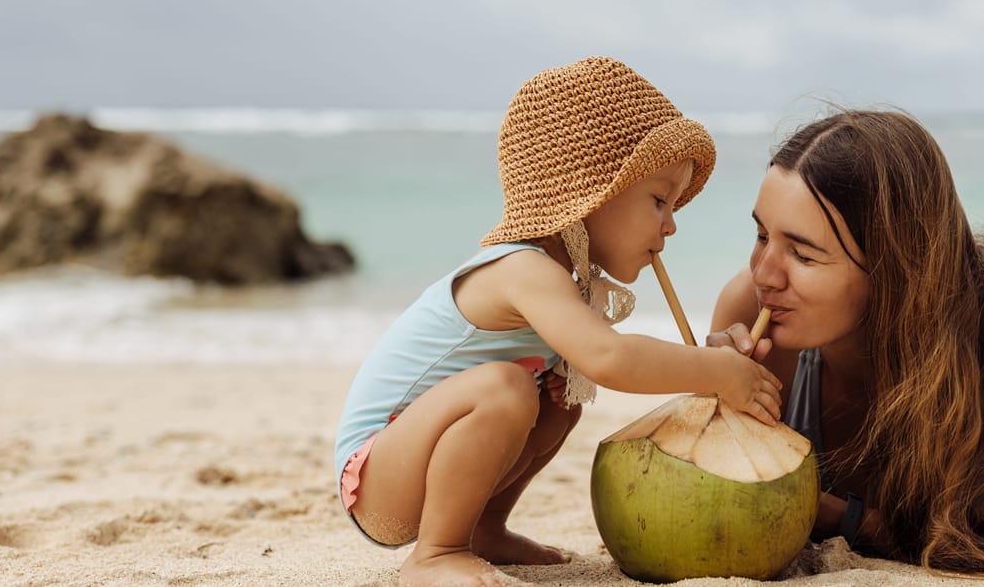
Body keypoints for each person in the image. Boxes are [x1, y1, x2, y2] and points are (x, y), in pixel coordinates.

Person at [333, 56, 784, 587]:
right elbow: (612, 357)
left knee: (561, 395)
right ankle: (436, 552)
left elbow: (603, 362)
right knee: (506, 388)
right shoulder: (521, 267)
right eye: (660, 200)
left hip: (421, 464)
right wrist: (714, 372)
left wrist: (709, 365)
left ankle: (483, 528)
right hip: (377, 475)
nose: (671, 224)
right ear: (588, 191)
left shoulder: (563, 280)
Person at [708, 109, 984, 578]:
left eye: (802, 254)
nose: (763, 274)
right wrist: (717, 411)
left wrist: (837, 517)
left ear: (894, 266)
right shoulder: (748, 309)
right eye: (762, 234)